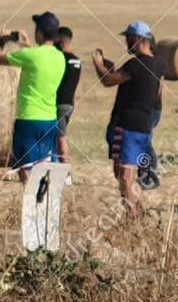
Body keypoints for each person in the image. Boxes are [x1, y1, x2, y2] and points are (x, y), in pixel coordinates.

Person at [93, 21, 163, 219]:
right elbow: (156, 94)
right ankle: (138, 214)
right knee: (129, 173)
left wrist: (97, 63)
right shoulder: (159, 66)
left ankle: (132, 218)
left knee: (124, 175)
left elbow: (108, 81)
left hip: (125, 126)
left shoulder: (135, 64)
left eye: (128, 39)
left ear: (138, 39)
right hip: (144, 127)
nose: (127, 42)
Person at [0, 11, 66, 176]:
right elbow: (39, 57)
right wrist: (26, 44)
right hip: (50, 120)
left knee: (25, 169)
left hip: (28, 119)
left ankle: (29, 192)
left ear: (40, 33)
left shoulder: (30, 55)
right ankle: (43, 192)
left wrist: (1, 40)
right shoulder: (60, 58)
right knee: (45, 167)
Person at [52, 26, 81, 162]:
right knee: (58, 135)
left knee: (61, 138)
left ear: (61, 40)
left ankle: (65, 169)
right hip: (69, 104)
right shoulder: (77, 60)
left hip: (59, 103)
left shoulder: (60, 58)